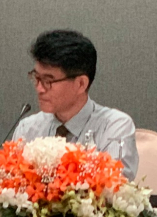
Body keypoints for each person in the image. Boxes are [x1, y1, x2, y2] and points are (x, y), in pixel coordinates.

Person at [12, 29, 139, 180]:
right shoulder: (28, 129)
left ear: (81, 84)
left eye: (48, 81)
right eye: (36, 78)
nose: (39, 88)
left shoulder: (114, 127)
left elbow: (113, 184)